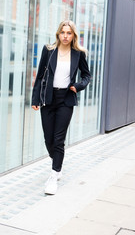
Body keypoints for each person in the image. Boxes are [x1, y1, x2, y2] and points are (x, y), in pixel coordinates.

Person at [31, 20, 91, 195]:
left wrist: (78, 86)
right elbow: (40, 75)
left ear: (73, 35)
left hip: (66, 99)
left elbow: (87, 75)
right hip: (48, 99)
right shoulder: (48, 51)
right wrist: (35, 98)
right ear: (58, 34)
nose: (65, 36)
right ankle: (57, 162)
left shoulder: (78, 54)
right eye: (63, 32)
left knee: (58, 139)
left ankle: (54, 173)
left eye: (69, 33)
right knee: (48, 139)